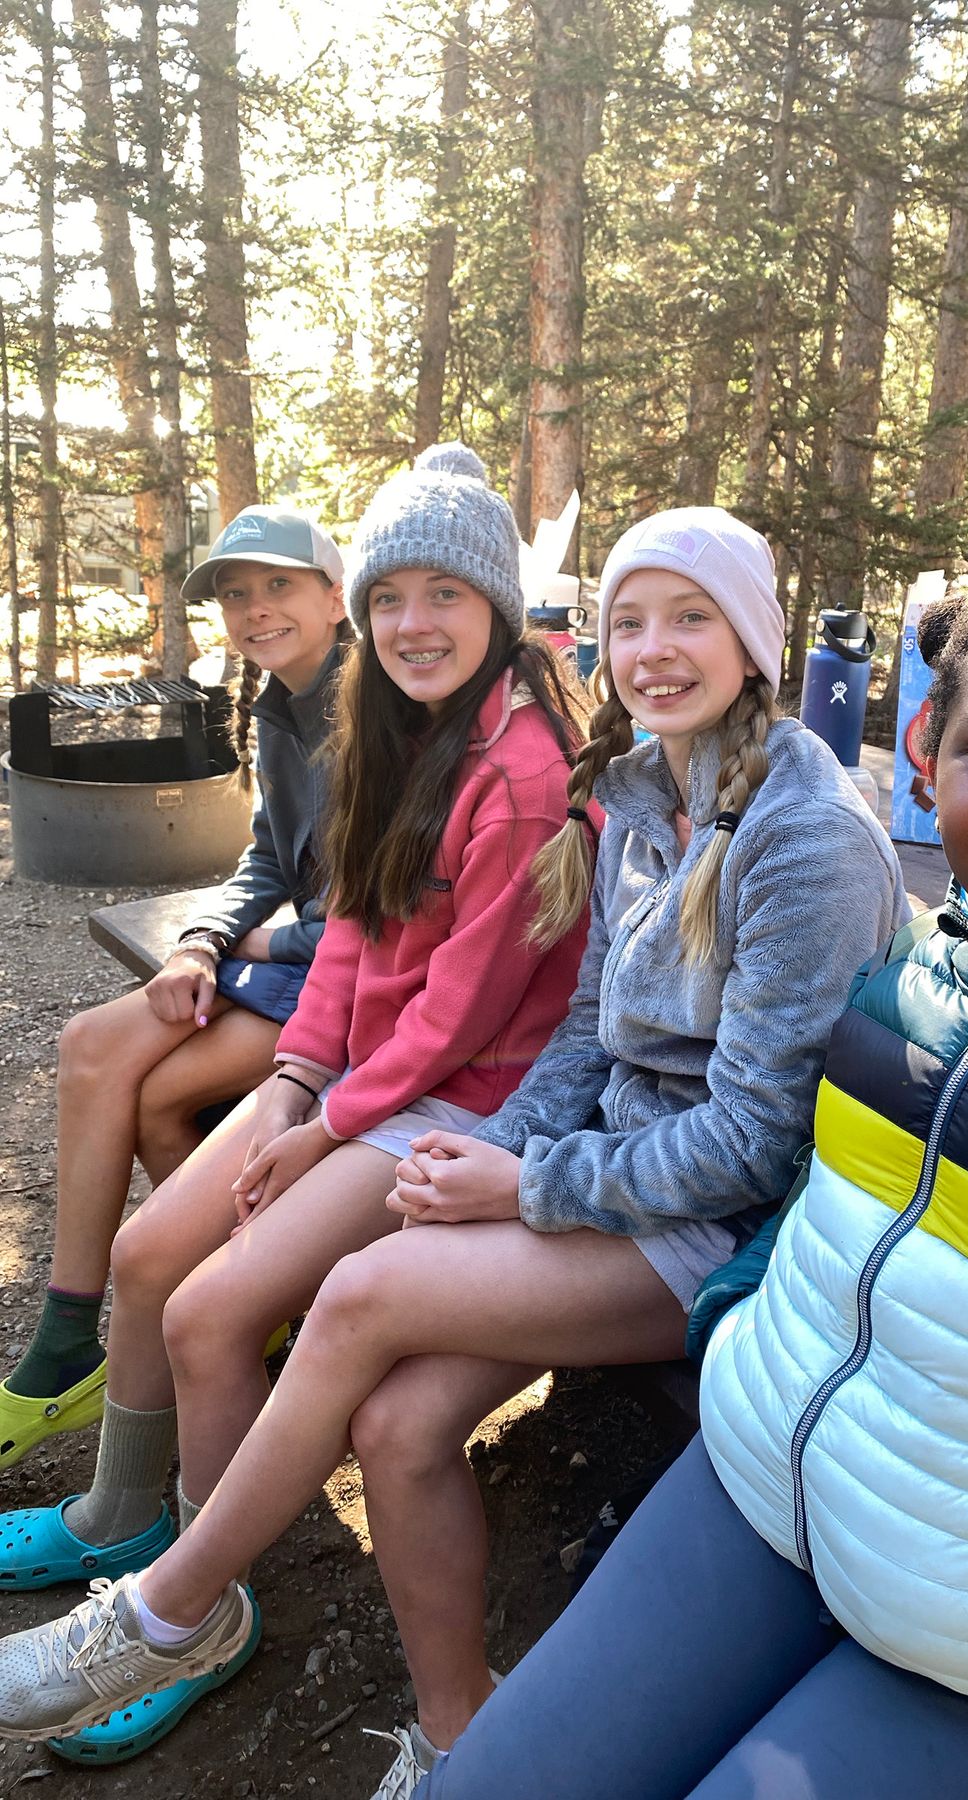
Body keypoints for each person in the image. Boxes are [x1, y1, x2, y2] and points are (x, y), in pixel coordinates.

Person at [0, 505, 909, 1796]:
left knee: (360, 1293)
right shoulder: (644, 792)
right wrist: (494, 1161)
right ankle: (456, 1736)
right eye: (631, 622)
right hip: (606, 1175)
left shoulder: (801, 836)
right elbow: (588, 1031)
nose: (654, 650)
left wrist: (521, 1180)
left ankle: (166, 1613)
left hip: (732, 1237)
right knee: (396, 1419)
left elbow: (756, 1146)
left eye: (691, 618)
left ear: (756, 639)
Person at [389, 560, 968, 1799]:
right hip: (757, 1492)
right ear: (929, 761)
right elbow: (819, 1198)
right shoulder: (915, 982)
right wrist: (740, 1334)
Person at [0, 443, 592, 1762]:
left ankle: (195, 1610)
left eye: (445, 594)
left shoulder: (522, 774)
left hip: (463, 1105)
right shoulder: (393, 730)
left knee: (211, 1312)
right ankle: (143, 1535)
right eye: (392, 598)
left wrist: (325, 1122)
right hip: (363, 1088)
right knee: (158, 1257)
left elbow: (460, 1019)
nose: (413, 623)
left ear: (497, 607)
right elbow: (357, 946)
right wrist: (287, 1085)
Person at [0, 506, 350, 1472]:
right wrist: (201, 941)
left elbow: (374, 920)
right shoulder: (281, 707)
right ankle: (75, 1336)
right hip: (292, 965)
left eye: (277, 585)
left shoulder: (370, 712)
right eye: (235, 594)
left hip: (347, 989)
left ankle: (236, 1301)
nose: (255, 607)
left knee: (159, 1094)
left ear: (335, 597)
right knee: (88, 1043)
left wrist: (260, 945)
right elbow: (268, 857)